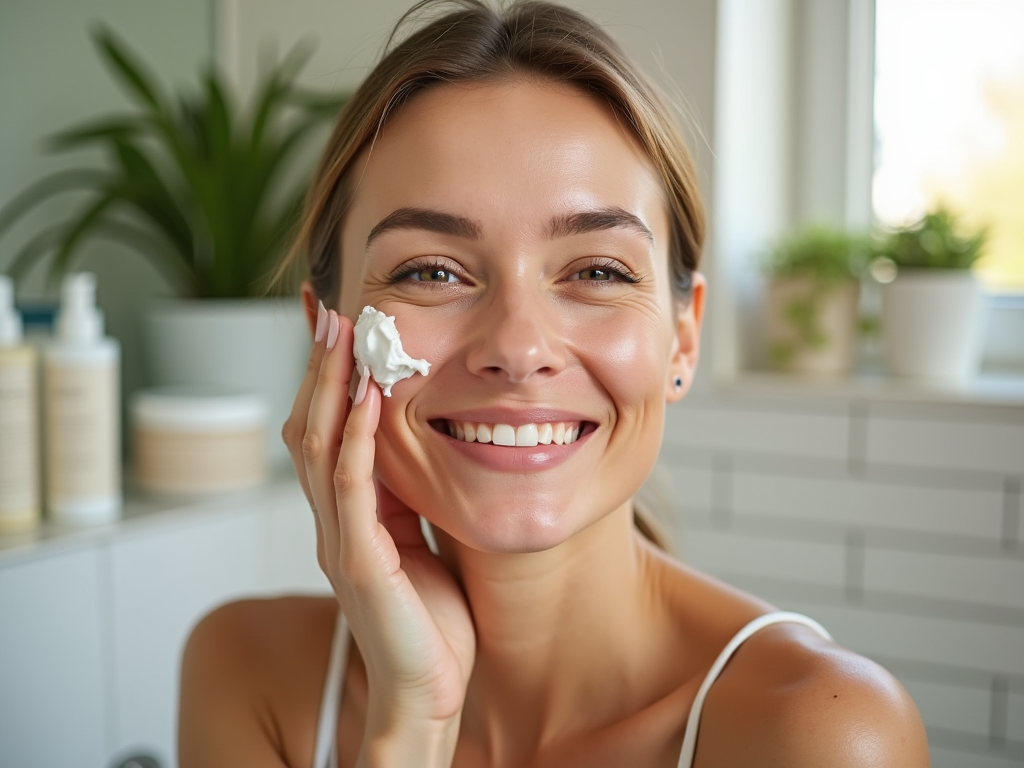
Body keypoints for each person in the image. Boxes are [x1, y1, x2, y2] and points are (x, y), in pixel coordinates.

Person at [178, 2, 930, 766]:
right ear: (326, 334)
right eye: (432, 271)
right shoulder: (246, 675)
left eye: (598, 271)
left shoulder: (818, 734)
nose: (518, 347)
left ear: (684, 335)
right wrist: (412, 725)